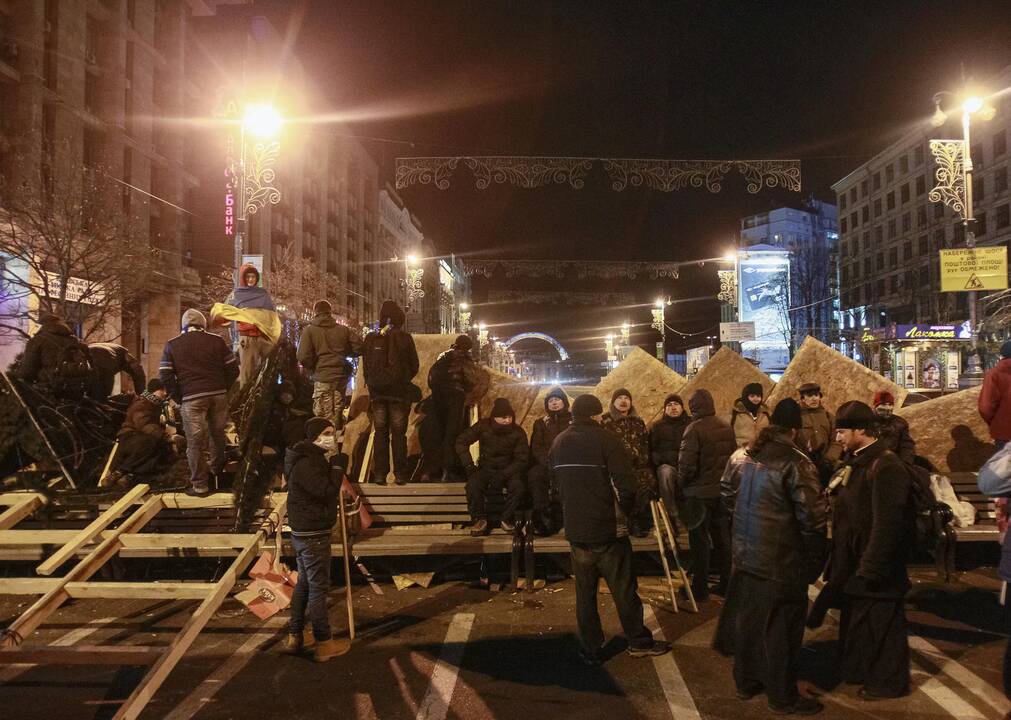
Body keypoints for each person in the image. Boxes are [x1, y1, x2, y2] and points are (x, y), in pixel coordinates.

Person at [720, 398, 828, 714]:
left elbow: (728, 495)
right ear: (795, 430)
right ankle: (782, 696)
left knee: (750, 622)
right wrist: (815, 558)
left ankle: (746, 681)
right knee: (782, 628)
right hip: (780, 558)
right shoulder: (797, 462)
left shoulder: (748, 456)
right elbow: (812, 518)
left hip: (745, 553)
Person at [549, 393, 671, 666]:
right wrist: (627, 512)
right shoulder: (606, 439)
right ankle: (639, 641)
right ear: (595, 415)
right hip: (608, 529)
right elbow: (626, 485)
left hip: (577, 530)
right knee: (624, 589)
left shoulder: (559, 442)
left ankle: (591, 648)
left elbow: (553, 484)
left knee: (585, 593)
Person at [827, 400, 913, 700]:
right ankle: (862, 673)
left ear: (861, 430)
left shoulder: (885, 464)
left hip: (877, 566)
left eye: (842, 431)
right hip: (857, 560)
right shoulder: (857, 460)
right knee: (864, 624)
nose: (837, 438)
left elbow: (888, 523)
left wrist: (871, 567)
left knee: (885, 629)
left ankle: (888, 683)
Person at [282, 417, 350, 662]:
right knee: (318, 588)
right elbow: (325, 492)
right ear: (314, 436)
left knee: (304, 584)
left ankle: (295, 636)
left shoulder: (308, 459)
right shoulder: (308, 463)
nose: (331, 437)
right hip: (312, 533)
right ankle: (324, 643)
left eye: (333, 432)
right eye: (327, 432)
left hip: (305, 531)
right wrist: (337, 469)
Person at [159, 308, 239, 497]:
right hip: (218, 395)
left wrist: (179, 396)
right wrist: (222, 388)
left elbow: (165, 375)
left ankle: (200, 485)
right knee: (217, 435)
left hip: (191, 398)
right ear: (203, 324)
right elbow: (233, 370)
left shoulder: (172, 345)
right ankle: (216, 472)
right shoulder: (217, 341)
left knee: (195, 442)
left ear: (184, 326)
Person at [678, 388, 737, 600]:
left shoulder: (693, 429)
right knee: (723, 539)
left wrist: (680, 486)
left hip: (698, 495)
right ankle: (727, 584)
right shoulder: (725, 427)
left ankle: (700, 589)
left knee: (700, 543)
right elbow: (733, 459)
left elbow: (687, 466)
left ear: (693, 407)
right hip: (721, 493)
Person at [362, 300, 420, 485]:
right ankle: (401, 474)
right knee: (398, 434)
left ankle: (380, 474)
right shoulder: (405, 338)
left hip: (377, 393)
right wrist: (401, 378)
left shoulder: (371, 338)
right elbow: (414, 366)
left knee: (380, 433)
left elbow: (366, 365)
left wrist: (373, 384)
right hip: (399, 394)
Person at [456, 398, 529, 535]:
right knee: (473, 485)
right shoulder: (483, 426)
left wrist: (504, 474)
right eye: (503, 417)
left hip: (509, 469)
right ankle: (479, 519)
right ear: (495, 417)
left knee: (518, 487)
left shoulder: (518, 432)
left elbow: (522, 458)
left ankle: (506, 519)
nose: (508, 420)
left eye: (510, 417)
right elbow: (461, 441)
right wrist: (469, 465)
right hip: (486, 468)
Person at [297, 300, 362, 431]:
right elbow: (359, 347)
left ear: (316, 313)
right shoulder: (343, 330)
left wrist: (313, 366)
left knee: (323, 418)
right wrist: (344, 353)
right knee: (337, 413)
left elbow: (302, 356)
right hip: (340, 379)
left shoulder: (309, 331)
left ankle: (326, 450)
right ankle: (335, 446)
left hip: (322, 378)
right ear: (329, 312)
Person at [600, 388, 656, 537]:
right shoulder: (605, 421)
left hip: (637, 467)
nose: (623, 401)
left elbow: (644, 444)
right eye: (620, 398)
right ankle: (627, 521)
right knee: (625, 487)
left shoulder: (638, 422)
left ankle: (638, 521)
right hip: (615, 467)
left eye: (626, 398)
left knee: (647, 482)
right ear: (613, 402)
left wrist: (643, 462)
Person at [428, 335, 480, 481]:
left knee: (439, 432)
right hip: (455, 397)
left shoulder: (444, 356)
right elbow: (471, 380)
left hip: (438, 396)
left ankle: (432, 470)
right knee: (453, 434)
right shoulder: (465, 359)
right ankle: (448, 470)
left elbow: (431, 378)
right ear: (468, 347)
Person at [109, 378, 179, 485]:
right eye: (162, 390)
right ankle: (122, 472)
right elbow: (145, 425)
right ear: (153, 391)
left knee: (165, 452)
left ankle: (130, 477)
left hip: (141, 439)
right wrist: (166, 437)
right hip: (131, 438)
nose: (165, 393)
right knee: (153, 443)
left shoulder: (158, 406)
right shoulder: (142, 404)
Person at [224, 263, 278, 388]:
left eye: (253, 277)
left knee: (274, 362)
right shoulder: (237, 294)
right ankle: (244, 400)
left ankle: (267, 392)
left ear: (256, 278)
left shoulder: (262, 293)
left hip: (263, 335)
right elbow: (227, 310)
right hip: (248, 337)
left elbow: (271, 312)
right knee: (247, 373)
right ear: (243, 278)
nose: (250, 279)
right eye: (247, 277)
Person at [19, 310, 92, 400]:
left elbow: (27, 372)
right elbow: (92, 371)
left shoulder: (38, 341)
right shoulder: (78, 343)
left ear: (42, 325)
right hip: (76, 393)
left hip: (47, 394)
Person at [528, 387, 572, 535]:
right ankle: (543, 517)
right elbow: (536, 446)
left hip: (568, 463)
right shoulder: (541, 423)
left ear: (564, 402)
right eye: (551, 401)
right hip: (547, 464)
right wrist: (547, 462)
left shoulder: (573, 421)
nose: (554, 403)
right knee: (536, 475)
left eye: (557, 399)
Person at [649, 394, 689, 517]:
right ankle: (672, 514)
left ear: (682, 407)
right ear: (665, 409)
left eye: (676, 404)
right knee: (665, 472)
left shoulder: (692, 423)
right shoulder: (657, 426)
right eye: (669, 405)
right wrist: (663, 459)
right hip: (669, 466)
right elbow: (652, 450)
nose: (673, 407)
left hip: (689, 465)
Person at [795, 382, 842, 480]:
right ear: (803, 398)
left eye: (816, 395)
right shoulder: (797, 418)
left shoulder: (829, 417)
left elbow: (836, 441)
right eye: (810, 395)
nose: (814, 398)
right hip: (804, 468)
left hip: (827, 467)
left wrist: (829, 459)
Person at [979, 340, 1011, 450]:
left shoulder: (994, 374)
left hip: (1004, 432)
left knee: (1004, 466)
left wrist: (996, 421)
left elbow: (985, 407)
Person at [872, 390, 915, 464]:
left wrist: (904, 463)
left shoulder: (900, 423)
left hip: (894, 462)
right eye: (883, 404)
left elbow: (906, 445)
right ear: (876, 406)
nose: (887, 407)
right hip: (871, 462)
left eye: (890, 404)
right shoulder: (867, 421)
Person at [730, 382, 770, 448]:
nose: (756, 399)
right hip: (740, 453)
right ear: (745, 397)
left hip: (761, 452)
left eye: (758, 396)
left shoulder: (765, 413)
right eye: (752, 396)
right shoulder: (735, 413)